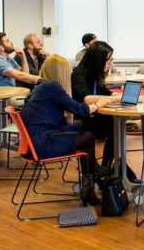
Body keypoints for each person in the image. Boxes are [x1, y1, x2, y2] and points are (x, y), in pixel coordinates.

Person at [21, 54, 112, 206]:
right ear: (61, 72)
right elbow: (81, 110)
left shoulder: (40, 87)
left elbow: (69, 116)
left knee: (84, 127)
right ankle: (92, 176)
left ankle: (90, 181)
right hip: (43, 143)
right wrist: (100, 103)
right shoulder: (52, 87)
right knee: (88, 135)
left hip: (34, 141)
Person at [70, 41, 139, 183]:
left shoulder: (95, 75)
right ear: (98, 59)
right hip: (81, 121)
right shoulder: (79, 74)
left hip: (92, 119)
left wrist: (120, 96)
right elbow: (87, 98)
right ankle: (106, 169)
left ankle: (106, 168)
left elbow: (106, 92)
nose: (110, 64)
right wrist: (111, 98)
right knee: (113, 128)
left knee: (116, 128)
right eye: (109, 60)